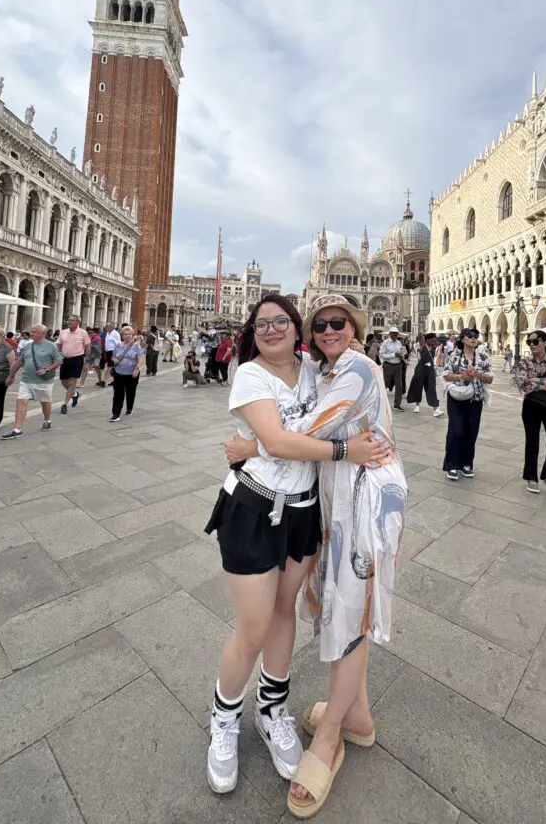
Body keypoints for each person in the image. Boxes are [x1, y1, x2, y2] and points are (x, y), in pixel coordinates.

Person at [223, 294, 406, 816]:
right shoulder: (323, 370)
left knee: (348, 619)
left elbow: (295, 435)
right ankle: (359, 718)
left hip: (363, 508)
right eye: (321, 323)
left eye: (338, 322)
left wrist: (251, 446)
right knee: (346, 610)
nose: (328, 330)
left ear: (355, 327)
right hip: (334, 503)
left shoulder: (356, 371)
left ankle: (328, 741)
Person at [514, 332, 546, 497]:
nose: (532, 344)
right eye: (529, 341)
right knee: (532, 441)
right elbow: (522, 382)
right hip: (531, 405)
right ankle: (531, 477)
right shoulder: (525, 361)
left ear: (545, 342)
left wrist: (536, 381)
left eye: (535, 341)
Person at [442, 327, 493, 482]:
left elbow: (490, 378)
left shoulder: (483, 356)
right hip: (457, 398)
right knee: (456, 430)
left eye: (476, 336)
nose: (473, 338)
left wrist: (477, 374)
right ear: (462, 339)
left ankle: (466, 463)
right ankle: (452, 465)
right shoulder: (454, 355)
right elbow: (446, 375)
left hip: (475, 399)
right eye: (470, 336)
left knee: (471, 432)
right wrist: (461, 376)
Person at [1, 323, 63, 439]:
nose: (31, 333)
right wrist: (10, 375)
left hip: (43, 381)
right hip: (26, 379)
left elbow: (59, 361)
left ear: (43, 334)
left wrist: (47, 369)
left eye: (34, 332)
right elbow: (19, 362)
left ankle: (47, 420)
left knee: (44, 401)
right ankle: (17, 429)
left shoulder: (51, 346)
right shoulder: (28, 346)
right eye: (31, 331)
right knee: (21, 402)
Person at [56, 315, 90, 414]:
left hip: (77, 359)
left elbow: (88, 347)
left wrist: (86, 361)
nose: (69, 322)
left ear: (77, 322)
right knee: (63, 381)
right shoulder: (63, 332)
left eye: (72, 320)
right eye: (69, 320)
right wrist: (59, 355)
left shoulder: (83, 333)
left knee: (72, 382)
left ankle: (65, 404)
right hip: (65, 359)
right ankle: (75, 394)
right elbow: (59, 344)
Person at [109, 326, 143, 422]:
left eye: (129, 334)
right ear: (122, 335)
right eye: (125, 334)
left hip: (132, 373)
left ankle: (129, 408)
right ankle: (116, 413)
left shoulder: (136, 346)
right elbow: (113, 356)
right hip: (119, 372)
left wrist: (137, 369)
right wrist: (114, 359)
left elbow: (140, 359)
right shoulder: (118, 345)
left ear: (132, 335)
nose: (127, 336)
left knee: (130, 391)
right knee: (118, 393)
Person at [406, 332, 443, 417]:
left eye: (435, 341)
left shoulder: (434, 348)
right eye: (432, 341)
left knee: (432, 388)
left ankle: (436, 409)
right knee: (418, 388)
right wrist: (421, 337)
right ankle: (417, 405)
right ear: (427, 340)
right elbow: (420, 338)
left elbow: (438, 347)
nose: (434, 343)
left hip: (430, 371)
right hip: (420, 370)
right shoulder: (421, 346)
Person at [379, 326, 405, 410]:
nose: (395, 335)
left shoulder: (399, 343)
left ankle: (397, 404)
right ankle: (380, 402)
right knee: (385, 384)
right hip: (388, 365)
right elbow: (382, 355)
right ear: (390, 334)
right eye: (393, 333)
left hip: (398, 365)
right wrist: (394, 355)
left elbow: (401, 353)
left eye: (396, 333)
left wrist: (402, 356)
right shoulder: (385, 343)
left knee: (399, 385)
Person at [98, 321, 120, 387]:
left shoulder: (116, 334)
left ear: (112, 327)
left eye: (107, 326)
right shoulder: (107, 333)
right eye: (106, 325)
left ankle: (104, 381)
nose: (105, 327)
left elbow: (118, 344)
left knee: (109, 367)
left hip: (113, 352)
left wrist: (116, 354)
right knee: (112, 367)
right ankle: (116, 380)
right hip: (107, 352)